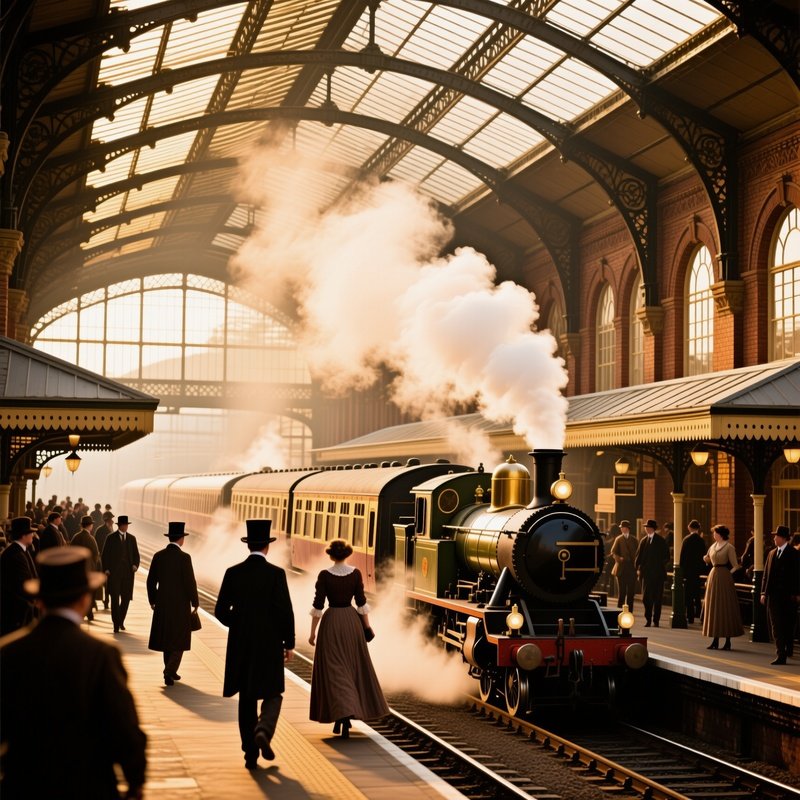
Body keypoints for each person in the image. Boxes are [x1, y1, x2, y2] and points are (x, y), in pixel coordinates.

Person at [0, 547, 147, 799]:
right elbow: (124, 728)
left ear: (40, 599)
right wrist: (135, 781)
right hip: (89, 786)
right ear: (84, 599)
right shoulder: (101, 654)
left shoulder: (9, 652)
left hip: (23, 786)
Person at [214, 520, 295, 770]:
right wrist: (287, 643)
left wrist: (237, 625)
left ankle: (250, 753)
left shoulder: (233, 572)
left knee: (246, 699)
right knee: (273, 693)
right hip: (269, 646)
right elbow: (285, 612)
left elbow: (220, 611)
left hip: (241, 646)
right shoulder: (276, 574)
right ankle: (264, 729)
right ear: (267, 548)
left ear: (248, 546)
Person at [308, 539, 388, 738]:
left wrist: (312, 632)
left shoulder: (324, 575)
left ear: (331, 555)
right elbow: (361, 604)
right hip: (351, 623)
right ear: (347, 554)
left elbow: (318, 606)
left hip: (331, 623)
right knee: (351, 669)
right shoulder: (355, 574)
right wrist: (367, 628)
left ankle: (340, 714)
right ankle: (344, 716)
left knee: (334, 671)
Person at [147, 521, 199, 686]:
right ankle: (169, 670)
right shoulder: (184, 558)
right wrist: (195, 602)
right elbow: (190, 582)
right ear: (181, 539)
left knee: (167, 638)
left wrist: (153, 600)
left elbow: (150, 582)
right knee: (180, 639)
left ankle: (170, 671)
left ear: (170, 537)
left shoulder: (159, 556)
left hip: (162, 604)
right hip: (180, 605)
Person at [760, 525, 800, 665]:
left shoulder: (794, 554)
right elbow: (765, 575)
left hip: (789, 597)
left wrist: (796, 593)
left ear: (783, 538)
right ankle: (780, 654)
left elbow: (797, 575)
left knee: (788, 625)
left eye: (776, 536)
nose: (774, 538)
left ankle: (788, 648)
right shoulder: (771, 554)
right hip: (774, 596)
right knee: (776, 625)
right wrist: (763, 592)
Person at [701, 524, 743, 650]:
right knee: (714, 607)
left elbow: (736, 565)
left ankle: (728, 641)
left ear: (720, 534)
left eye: (715, 532)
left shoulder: (729, 547)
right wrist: (705, 559)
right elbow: (708, 559)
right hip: (713, 576)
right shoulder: (713, 546)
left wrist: (728, 574)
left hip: (724, 577)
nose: (713, 534)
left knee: (724, 607)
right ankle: (715, 640)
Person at [0, 517, 39, 635]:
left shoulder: (20, 551)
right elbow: (23, 586)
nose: (33, 535)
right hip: (17, 615)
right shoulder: (16, 554)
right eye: (31, 532)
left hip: (20, 613)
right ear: (23, 535)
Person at [102, 514, 140, 633]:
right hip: (114, 574)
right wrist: (106, 569)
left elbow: (136, 555)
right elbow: (105, 555)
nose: (125, 527)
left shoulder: (132, 539)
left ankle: (121, 621)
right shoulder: (110, 538)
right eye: (124, 525)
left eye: (127, 525)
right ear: (120, 525)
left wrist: (135, 565)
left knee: (126, 599)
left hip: (128, 574)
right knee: (114, 599)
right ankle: (115, 624)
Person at [634, 519, 669, 627]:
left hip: (658, 574)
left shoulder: (661, 540)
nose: (647, 529)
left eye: (649, 527)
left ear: (653, 529)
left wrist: (659, 565)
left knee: (657, 598)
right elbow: (638, 556)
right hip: (646, 574)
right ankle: (648, 618)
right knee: (646, 598)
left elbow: (666, 556)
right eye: (646, 527)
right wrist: (638, 568)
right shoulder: (643, 541)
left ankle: (656, 620)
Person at [70, 515, 102, 621]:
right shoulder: (91, 539)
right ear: (90, 526)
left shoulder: (76, 537)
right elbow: (95, 555)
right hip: (89, 570)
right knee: (89, 592)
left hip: (76, 570)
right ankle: (89, 612)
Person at [680, 519, 707, 624]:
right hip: (698, 572)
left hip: (688, 571)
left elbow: (682, 556)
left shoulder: (686, 539)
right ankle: (700, 616)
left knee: (689, 596)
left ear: (689, 528)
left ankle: (690, 617)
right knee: (697, 594)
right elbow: (704, 555)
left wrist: (682, 571)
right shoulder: (701, 541)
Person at [610, 520, 637, 611]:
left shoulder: (634, 539)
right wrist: (619, 558)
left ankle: (630, 611)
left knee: (630, 593)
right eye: (621, 528)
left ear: (627, 528)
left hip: (631, 568)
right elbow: (613, 552)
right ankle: (619, 611)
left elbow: (638, 553)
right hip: (621, 568)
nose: (622, 529)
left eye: (623, 527)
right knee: (622, 592)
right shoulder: (619, 539)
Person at [95, 510, 115, 609]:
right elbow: (97, 544)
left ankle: (107, 599)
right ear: (107, 520)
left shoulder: (111, 529)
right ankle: (105, 600)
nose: (112, 521)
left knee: (109, 581)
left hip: (111, 559)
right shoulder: (101, 530)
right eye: (111, 519)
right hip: (102, 559)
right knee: (104, 581)